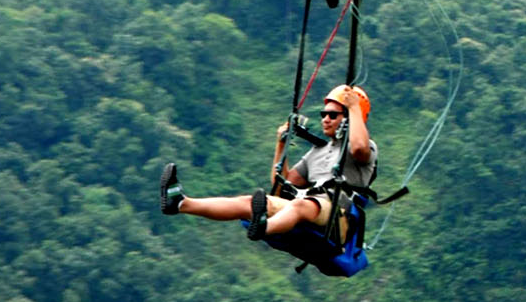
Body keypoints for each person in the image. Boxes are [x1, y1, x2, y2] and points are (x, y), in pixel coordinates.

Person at [159, 84, 377, 248]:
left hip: (339, 217)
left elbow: (358, 148)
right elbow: (282, 186)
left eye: (333, 115)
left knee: (301, 206)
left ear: (349, 118)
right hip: (309, 207)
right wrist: (280, 144)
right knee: (249, 203)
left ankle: (265, 227)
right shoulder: (317, 152)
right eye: (323, 114)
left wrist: (355, 108)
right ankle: (180, 203)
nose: (325, 119)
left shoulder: (365, 147)